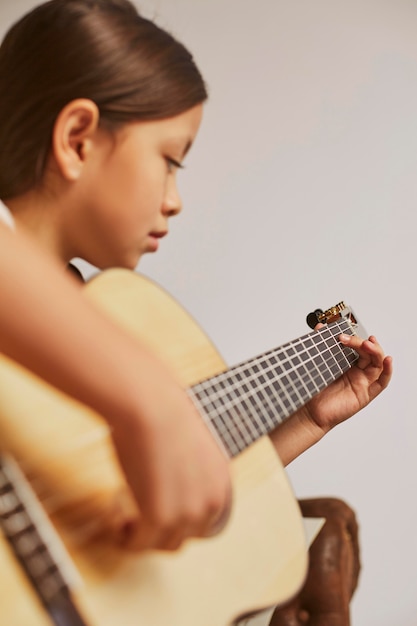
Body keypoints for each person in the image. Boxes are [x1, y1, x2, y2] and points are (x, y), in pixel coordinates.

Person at [0, 0, 392, 555]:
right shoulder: (110, 361)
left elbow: (140, 508)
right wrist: (152, 403)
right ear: (78, 139)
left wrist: (307, 420)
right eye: (170, 160)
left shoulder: (88, 328)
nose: (175, 201)